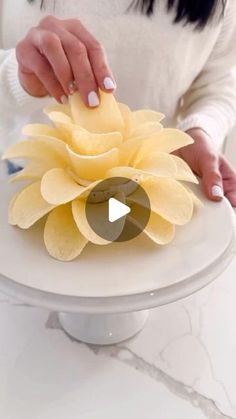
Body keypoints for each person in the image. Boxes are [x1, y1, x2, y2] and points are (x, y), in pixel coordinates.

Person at [0, 0, 236, 205]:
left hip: (148, 182)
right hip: (31, 177)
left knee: (125, 254)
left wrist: (200, 129)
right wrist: (17, 78)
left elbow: (217, 82)